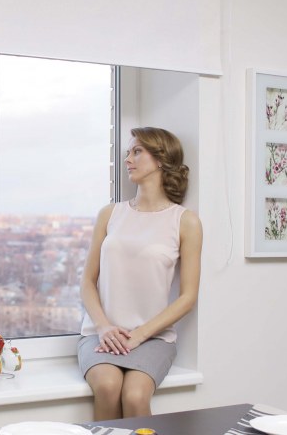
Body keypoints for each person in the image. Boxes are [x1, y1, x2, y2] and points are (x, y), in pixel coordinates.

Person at [77, 127, 203, 420]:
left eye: (137, 152)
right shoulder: (110, 214)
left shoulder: (185, 222)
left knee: (135, 396)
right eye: (128, 153)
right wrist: (104, 327)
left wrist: (140, 335)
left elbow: (188, 297)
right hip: (101, 333)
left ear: (161, 159)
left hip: (153, 338)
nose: (128, 159)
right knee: (107, 386)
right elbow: (87, 282)